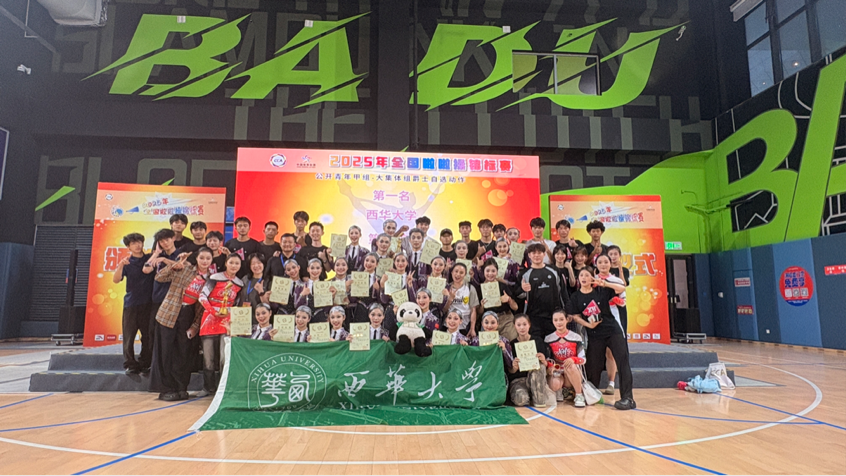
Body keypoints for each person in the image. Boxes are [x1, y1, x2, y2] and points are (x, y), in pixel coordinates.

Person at [566, 266, 634, 410]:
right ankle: (592, 395)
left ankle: (628, 398)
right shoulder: (576, 296)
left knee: (622, 361)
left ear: (593, 277)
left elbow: (622, 288)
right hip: (594, 335)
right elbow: (576, 316)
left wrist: (606, 284)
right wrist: (588, 325)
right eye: (581, 275)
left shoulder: (601, 291)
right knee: (593, 366)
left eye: (587, 275)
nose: (584, 278)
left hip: (612, 330)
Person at [149, 248, 211, 401]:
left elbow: (203, 306)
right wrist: (174, 265)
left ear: (211, 261)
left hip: (188, 315)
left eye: (208, 258)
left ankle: (181, 387)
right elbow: (159, 277)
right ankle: (166, 389)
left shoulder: (211, 279)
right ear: (196, 259)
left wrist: (195, 325)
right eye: (202, 258)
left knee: (183, 354)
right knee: (165, 353)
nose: (204, 261)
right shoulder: (184, 268)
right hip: (169, 313)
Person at [198, 254, 244, 395]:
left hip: (227, 322)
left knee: (225, 357)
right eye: (231, 262)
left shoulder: (239, 283)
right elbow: (202, 296)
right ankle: (208, 387)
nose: (234, 266)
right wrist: (213, 311)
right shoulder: (214, 278)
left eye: (237, 263)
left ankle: (223, 388)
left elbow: (238, 305)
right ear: (226, 263)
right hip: (209, 319)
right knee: (208, 358)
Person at [113, 233, 154, 376]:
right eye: (133, 243)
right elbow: (116, 280)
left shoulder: (150, 259)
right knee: (129, 336)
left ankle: (145, 363)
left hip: (148, 303)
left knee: (147, 336)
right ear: (128, 247)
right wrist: (120, 266)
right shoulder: (127, 262)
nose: (137, 245)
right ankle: (130, 364)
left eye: (139, 242)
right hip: (131, 303)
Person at [146, 228, 182, 371]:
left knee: (171, 336)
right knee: (153, 333)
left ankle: (170, 366)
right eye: (161, 241)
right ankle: (155, 365)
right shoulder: (157, 256)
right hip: (158, 298)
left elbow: (180, 267)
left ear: (173, 238)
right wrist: (156, 254)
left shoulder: (180, 254)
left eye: (167, 240)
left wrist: (164, 260)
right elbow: (146, 269)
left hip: (173, 301)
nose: (165, 243)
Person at [595, 253, 627, 396]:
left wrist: (613, 300)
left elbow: (623, 300)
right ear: (596, 264)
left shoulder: (616, 280)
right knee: (595, 352)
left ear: (610, 264)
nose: (603, 265)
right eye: (600, 262)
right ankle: (593, 385)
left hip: (612, 318)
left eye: (605, 262)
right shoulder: (591, 279)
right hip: (594, 319)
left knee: (611, 353)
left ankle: (611, 383)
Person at [521, 243, 566, 340]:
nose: (536, 255)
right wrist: (522, 289)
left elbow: (562, 292)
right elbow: (518, 295)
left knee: (554, 343)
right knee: (537, 344)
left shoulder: (554, 270)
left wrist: (566, 311)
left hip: (553, 316)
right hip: (534, 317)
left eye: (539, 253)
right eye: (533, 253)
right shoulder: (524, 274)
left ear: (544, 254)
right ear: (529, 255)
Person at [544, 310, 586, 407]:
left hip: (572, 371)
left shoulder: (576, 337)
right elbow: (548, 359)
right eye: (555, 320)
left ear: (567, 320)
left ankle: (579, 395)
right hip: (558, 370)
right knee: (554, 383)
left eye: (561, 319)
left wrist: (573, 360)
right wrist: (551, 366)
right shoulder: (548, 339)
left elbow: (583, 359)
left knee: (570, 366)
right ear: (552, 321)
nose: (559, 322)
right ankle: (560, 391)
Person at [508, 314, 549, 407]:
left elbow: (546, 365)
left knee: (541, 367)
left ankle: (539, 400)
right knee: (521, 399)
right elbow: (510, 371)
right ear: (514, 326)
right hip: (519, 380)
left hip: (535, 379)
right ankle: (528, 395)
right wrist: (514, 368)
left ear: (529, 325)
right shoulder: (511, 345)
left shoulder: (538, 341)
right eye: (519, 325)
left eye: (524, 324)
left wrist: (544, 361)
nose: (522, 327)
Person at [478, 258, 518, 340]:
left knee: (511, 341)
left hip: (505, 319)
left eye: (493, 271)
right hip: (488, 321)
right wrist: (482, 306)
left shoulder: (503, 286)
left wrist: (509, 300)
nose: (490, 274)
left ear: (497, 272)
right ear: (483, 272)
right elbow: (479, 312)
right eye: (487, 271)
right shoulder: (480, 288)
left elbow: (515, 307)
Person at [444, 262, 479, 338]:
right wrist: (450, 300)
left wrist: (472, 328)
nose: (458, 274)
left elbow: (473, 310)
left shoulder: (470, 288)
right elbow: (444, 310)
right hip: (448, 324)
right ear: (452, 272)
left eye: (461, 272)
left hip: (464, 325)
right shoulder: (446, 288)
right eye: (456, 271)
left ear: (465, 274)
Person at [607, 245, 631, 332]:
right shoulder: (605, 269)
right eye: (611, 254)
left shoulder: (625, 270)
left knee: (622, 327)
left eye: (615, 254)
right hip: (608, 301)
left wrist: (620, 269)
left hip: (620, 302)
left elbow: (623, 284)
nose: (613, 256)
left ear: (619, 255)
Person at [238, 253, 269, 318]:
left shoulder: (268, 281)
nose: (256, 265)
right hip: (242, 317)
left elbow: (269, 306)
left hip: (259, 318)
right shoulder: (245, 279)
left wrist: (261, 292)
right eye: (253, 263)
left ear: (264, 264)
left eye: (259, 263)